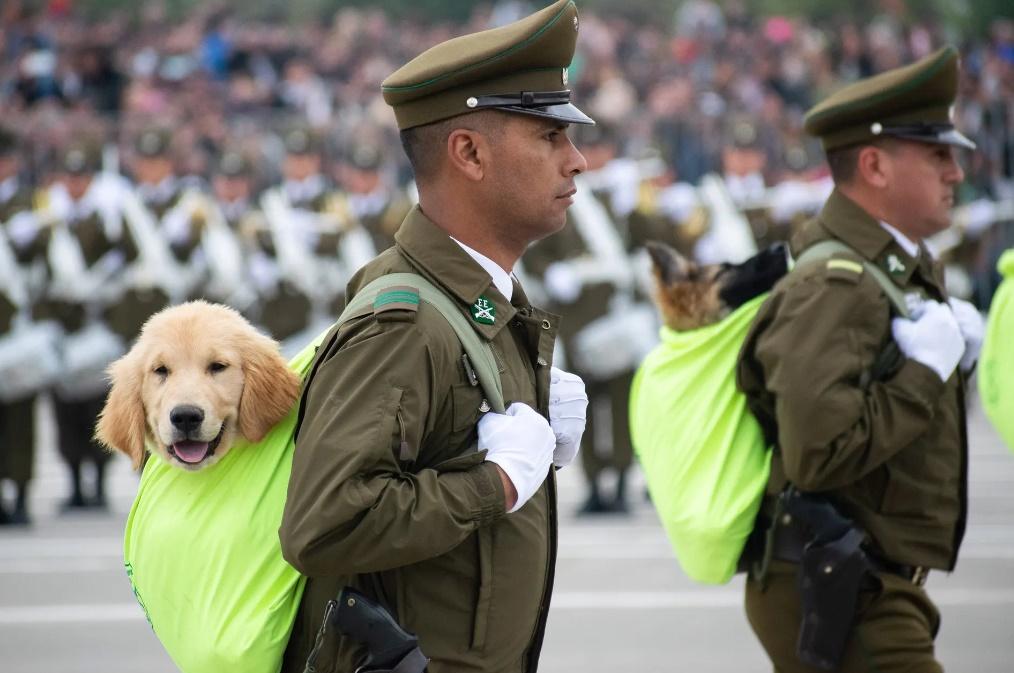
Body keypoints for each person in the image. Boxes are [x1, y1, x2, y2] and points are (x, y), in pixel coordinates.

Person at [278, 1, 591, 671]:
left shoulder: (475, 298)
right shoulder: (405, 320)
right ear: (470, 153)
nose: (578, 160)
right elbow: (325, 523)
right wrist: (496, 483)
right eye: (549, 136)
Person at [736, 46, 983, 672]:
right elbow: (818, 451)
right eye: (937, 155)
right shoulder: (839, 283)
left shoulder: (883, 267)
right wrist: (924, 374)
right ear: (873, 165)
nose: (955, 172)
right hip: (845, 584)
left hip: (864, 575)